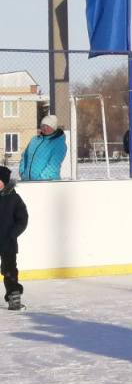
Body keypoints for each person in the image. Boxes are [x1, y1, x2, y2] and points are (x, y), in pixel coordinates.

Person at [0, 165, 27, 311]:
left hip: (7, 241)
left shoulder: (14, 198)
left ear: (5, 182)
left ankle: (14, 299)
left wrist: (12, 234)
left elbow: (22, 219)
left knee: (9, 270)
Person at [18, 114, 66, 181]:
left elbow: (53, 165)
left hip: (47, 183)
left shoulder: (58, 144)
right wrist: (22, 172)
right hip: (27, 181)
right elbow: (25, 156)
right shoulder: (34, 140)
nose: (45, 128)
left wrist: (41, 178)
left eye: (48, 126)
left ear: (54, 128)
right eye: (43, 125)